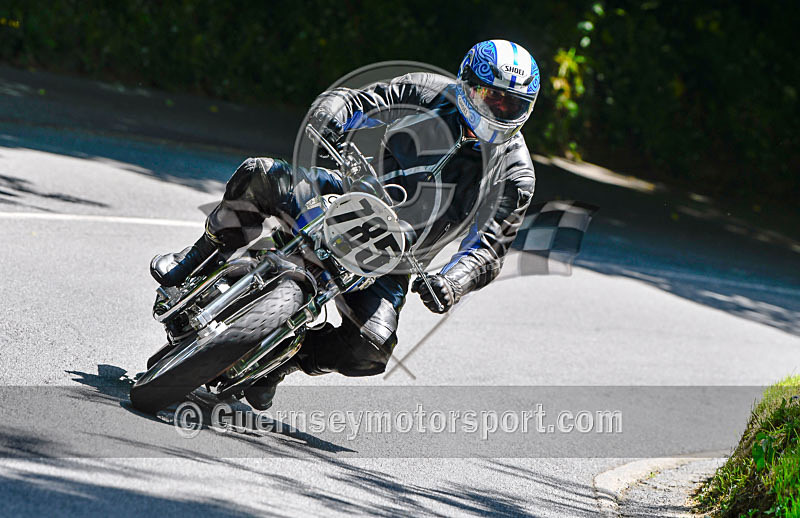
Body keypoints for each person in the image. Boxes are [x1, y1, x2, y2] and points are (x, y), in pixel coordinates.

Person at [150, 39, 539, 410]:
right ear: (467, 84)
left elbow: (490, 245)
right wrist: (330, 117)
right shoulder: (426, 90)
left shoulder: (515, 173)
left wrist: (453, 281)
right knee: (261, 175)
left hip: (397, 257)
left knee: (371, 346)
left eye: (511, 104)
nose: (499, 109)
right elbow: (359, 97)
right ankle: (196, 258)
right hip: (347, 190)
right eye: (492, 96)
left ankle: (286, 360)